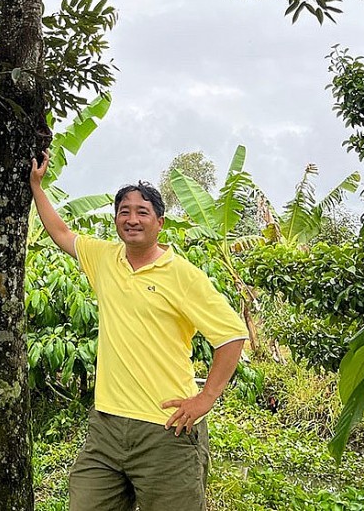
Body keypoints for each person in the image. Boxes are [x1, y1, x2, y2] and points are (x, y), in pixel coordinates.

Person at [29, 150, 248, 511]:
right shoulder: (104, 258)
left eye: (142, 212)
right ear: (115, 219)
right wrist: (37, 185)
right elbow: (61, 232)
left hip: (166, 431)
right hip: (106, 427)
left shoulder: (184, 275)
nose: (132, 219)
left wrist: (205, 398)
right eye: (124, 211)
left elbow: (231, 336)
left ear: (160, 222)